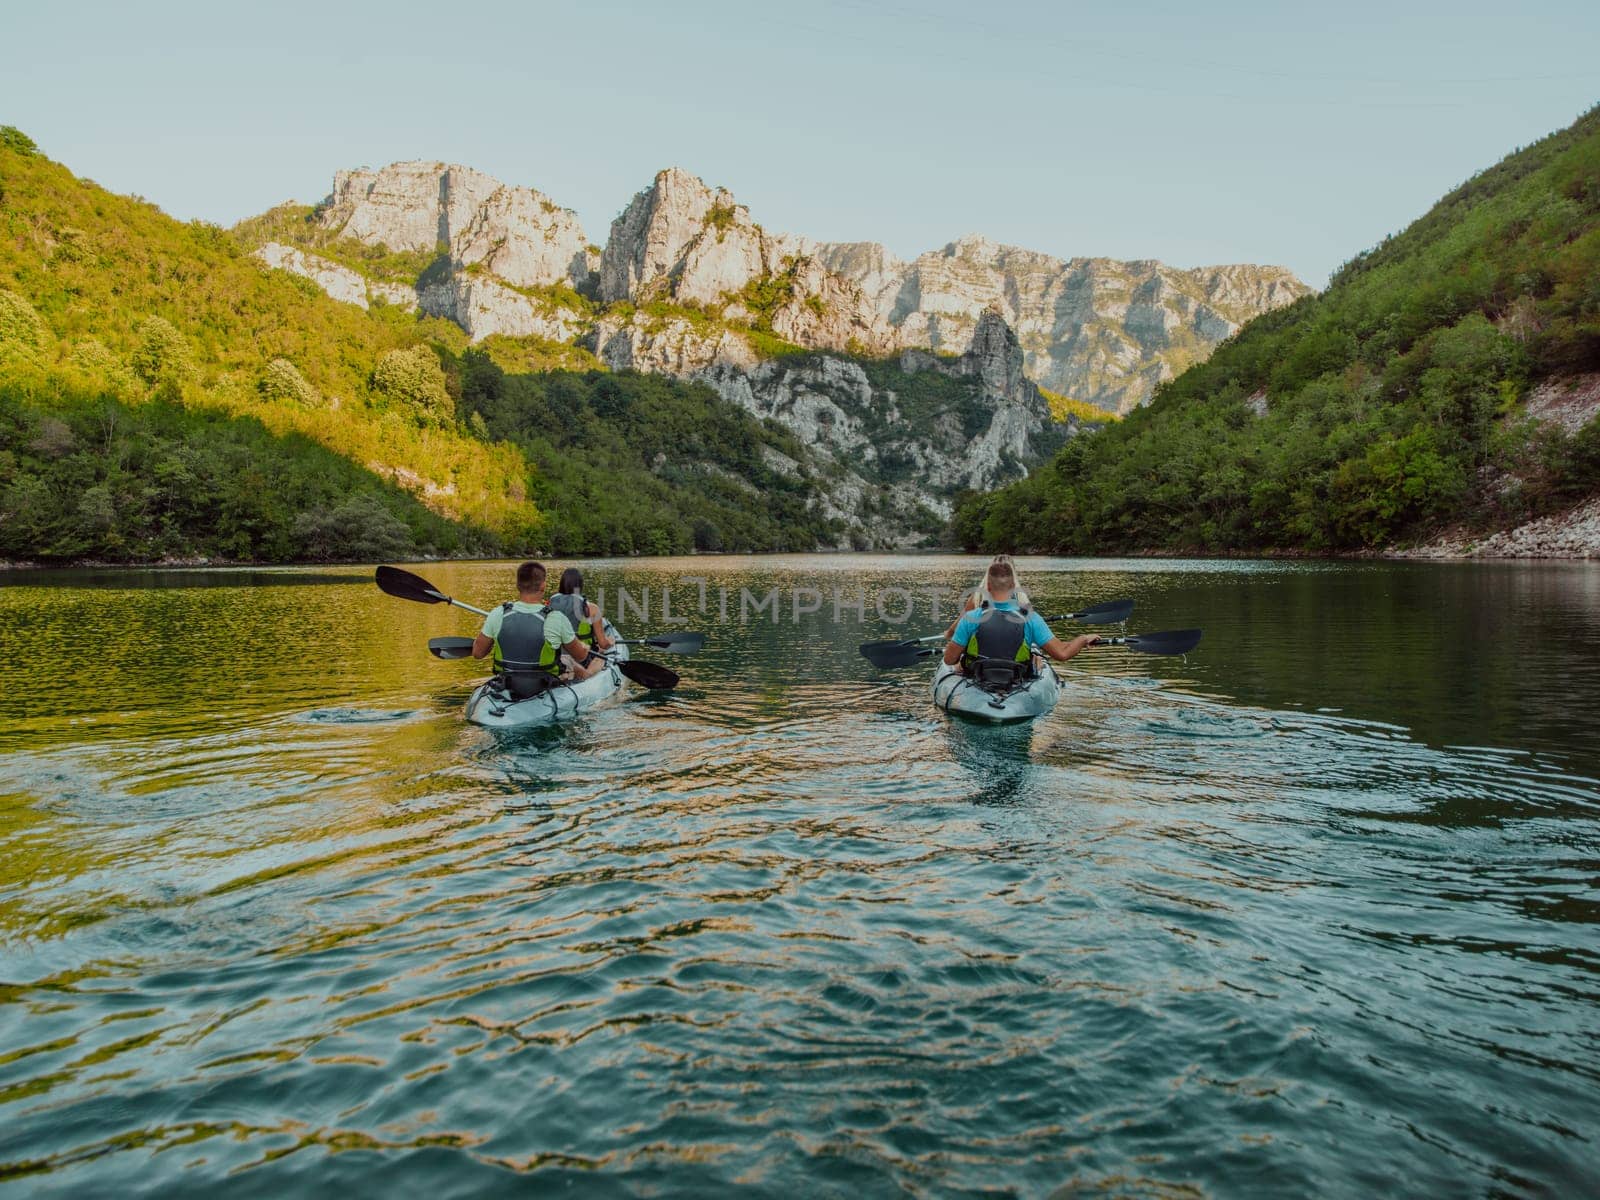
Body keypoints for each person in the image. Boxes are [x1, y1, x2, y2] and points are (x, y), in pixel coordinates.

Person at [943, 558, 1098, 677]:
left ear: (988, 586)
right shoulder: (1031, 618)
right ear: (1013, 587)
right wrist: (1083, 639)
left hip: (977, 679)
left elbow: (949, 660)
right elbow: (1062, 654)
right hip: (1015, 681)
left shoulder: (971, 617)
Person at [472, 561, 603, 697]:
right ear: (543, 586)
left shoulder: (497, 614)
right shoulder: (555, 618)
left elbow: (477, 653)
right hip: (543, 684)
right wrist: (583, 647)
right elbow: (581, 656)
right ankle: (589, 675)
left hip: (507, 681)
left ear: (518, 585)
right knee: (568, 660)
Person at [545, 567, 614, 654]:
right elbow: (603, 644)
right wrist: (611, 642)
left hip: (556, 656)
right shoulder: (592, 608)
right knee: (601, 652)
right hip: (581, 655)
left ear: (562, 583)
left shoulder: (550, 604)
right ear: (580, 585)